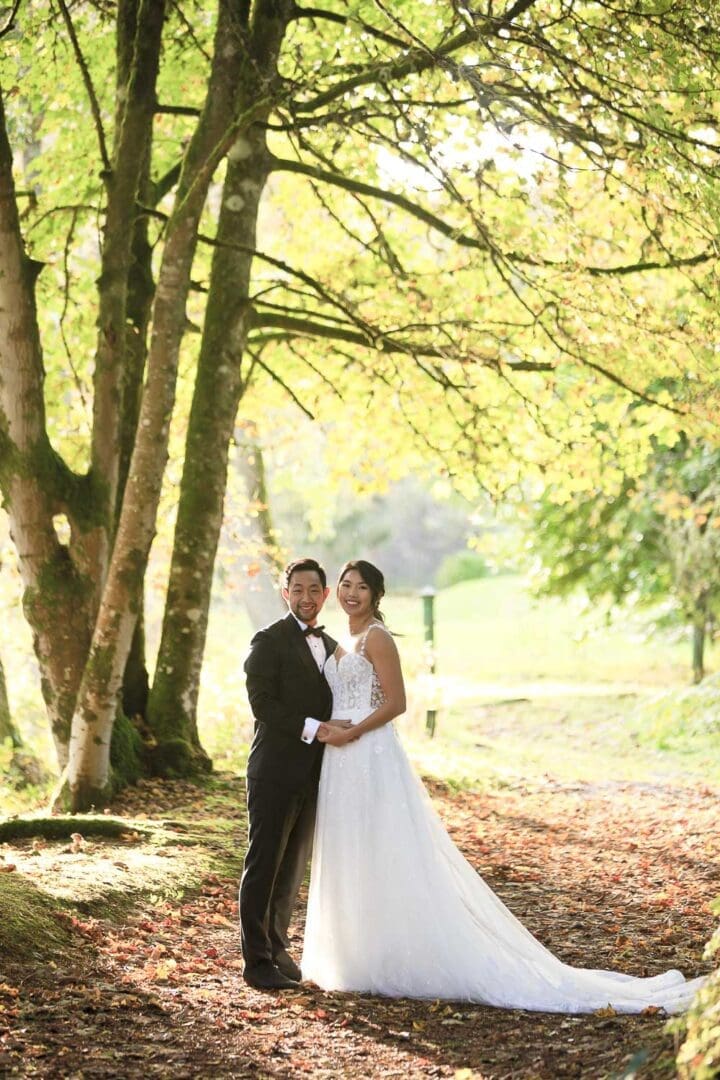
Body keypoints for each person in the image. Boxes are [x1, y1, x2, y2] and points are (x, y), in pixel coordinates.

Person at [301, 560, 706, 1013]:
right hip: (340, 760)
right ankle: (357, 954)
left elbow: (397, 703)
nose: (351, 593)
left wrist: (353, 732)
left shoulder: (376, 637)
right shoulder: (341, 639)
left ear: (377, 595)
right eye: (346, 585)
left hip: (370, 753)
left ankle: (396, 954)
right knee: (353, 849)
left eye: (361, 587)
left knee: (387, 848)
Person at [240, 557, 350, 990]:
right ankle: (256, 962)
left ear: (325, 595)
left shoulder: (329, 644)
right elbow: (262, 704)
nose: (306, 598)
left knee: (291, 868)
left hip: (315, 775)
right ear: (286, 595)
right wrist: (317, 729)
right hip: (273, 771)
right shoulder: (268, 641)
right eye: (297, 590)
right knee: (263, 864)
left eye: (313, 591)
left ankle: (278, 944)